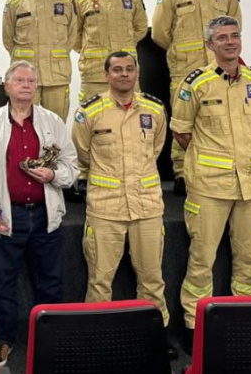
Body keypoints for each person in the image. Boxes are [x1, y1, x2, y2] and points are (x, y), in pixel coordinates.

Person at [170, 16, 251, 354]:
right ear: (210, 45)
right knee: (201, 259)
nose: (230, 42)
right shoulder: (195, 83)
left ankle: (247, 320)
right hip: (210, 187)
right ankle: (194, 325)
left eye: (234, 36)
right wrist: (211, 158)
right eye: (222, 38)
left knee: (250, 258)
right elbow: (182, 132)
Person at [0, 60, 78, 367]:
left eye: (31, 81)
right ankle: (3, 340)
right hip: (7, 215)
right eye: (20, 80)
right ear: (6, 86)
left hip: (45, 215)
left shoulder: (52, 121)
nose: (26, 85)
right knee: (2, 283)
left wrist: (53, 176)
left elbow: (72, 167)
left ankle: (50, 339)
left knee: (51, 283)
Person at [71, 52, 177, 360]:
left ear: (137, 72)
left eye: (129, 69)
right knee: (101, 279)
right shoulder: (89, 112)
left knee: (152, 278)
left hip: (146, 206)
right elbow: (82, 153)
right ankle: (98, 340)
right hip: (105, 207)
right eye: (117, 70)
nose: (124, 75)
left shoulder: (155, 110)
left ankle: (154, 337)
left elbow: (155, 148)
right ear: (106, 75)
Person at [151, 0, 241, 196]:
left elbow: (235, 27)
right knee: (183, 120)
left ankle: (219, 170)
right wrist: (183, 51)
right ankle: (181, 172)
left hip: (220, 68)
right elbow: (159, 34)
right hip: (185, 70)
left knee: (220, 118)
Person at [3, 0, 77, 122]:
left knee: (57, 123)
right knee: (22, 121)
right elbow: (8, 39)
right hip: (25, 78)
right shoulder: (15, 2)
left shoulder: (66, 1)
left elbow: (72, 36)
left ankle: (54, 151)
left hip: (57, 76)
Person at [73, 0, 148, 103]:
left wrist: (125, 43)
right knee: (93, 118)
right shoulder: (81, 0)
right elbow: (74, 36)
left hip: (126, 73)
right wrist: (90, 50)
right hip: (94, 74)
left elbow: (141, 28)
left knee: (131, 116)